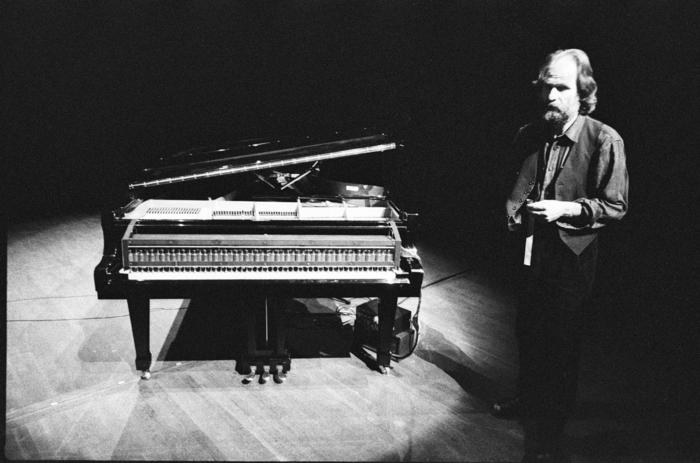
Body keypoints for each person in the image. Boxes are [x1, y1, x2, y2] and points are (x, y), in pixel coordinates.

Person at [496, 49, 629, 462]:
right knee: (527, 330)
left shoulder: (604, 139)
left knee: (561, 343)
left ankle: (549, 432)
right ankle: (527, 399)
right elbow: (516, 182)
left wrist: (567, 208)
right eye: (546, 86)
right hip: (532, 248)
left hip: (571, 255)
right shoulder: (531, 133)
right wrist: (516, 214)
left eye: (561, 88)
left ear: (582, 91)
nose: (551, 95)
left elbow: (615, 206)